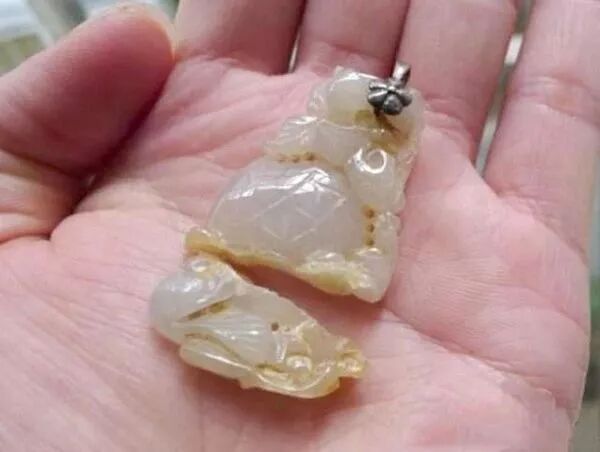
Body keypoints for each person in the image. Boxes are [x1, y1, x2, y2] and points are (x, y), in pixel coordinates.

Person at [0, 1, 597, 450]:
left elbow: (373, 194)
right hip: (280, 211)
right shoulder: (314, 136)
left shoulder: (376, 160)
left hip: (328, 225)